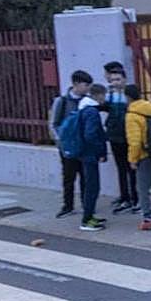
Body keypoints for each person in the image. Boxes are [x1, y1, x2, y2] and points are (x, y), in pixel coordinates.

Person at [124, 84, 151, 231]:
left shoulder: (132, 115)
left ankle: (147, 218)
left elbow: (135, 141)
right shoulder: (149, 109)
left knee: (142, 188)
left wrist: (132, 159)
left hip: (144, 155)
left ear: (128, 97)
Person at [50, 70, 90, 217]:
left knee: (85, 176)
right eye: (85, 85)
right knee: (69, 177)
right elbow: (53, 124)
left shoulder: (86, 101)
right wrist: (61, 143)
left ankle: (87, 204)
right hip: (67, 147)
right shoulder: (61, 101)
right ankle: (68, 205)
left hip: (83, 146)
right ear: (76, 84)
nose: (87, 89)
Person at [102, 61, 137, 214]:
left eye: (118, 79)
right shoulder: (110, 95)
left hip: (129, 137)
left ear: (124, 79)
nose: (115, 82)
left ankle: (135, 198)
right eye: (112, 80)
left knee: (132, 168)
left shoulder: (129, 95)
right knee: (121, 168)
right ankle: (124, 197)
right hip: (115, 137)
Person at [75, 84, 109, 231]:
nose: (104, 99)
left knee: (91, 186)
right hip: (90, 155)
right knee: (92, 187)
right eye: (104, 96)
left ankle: (89, 216)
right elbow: (91, 135)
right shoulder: (91, 112)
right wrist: (99, 151)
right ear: (99, 95)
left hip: (85, 153)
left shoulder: (83, 108)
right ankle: (87, 220)